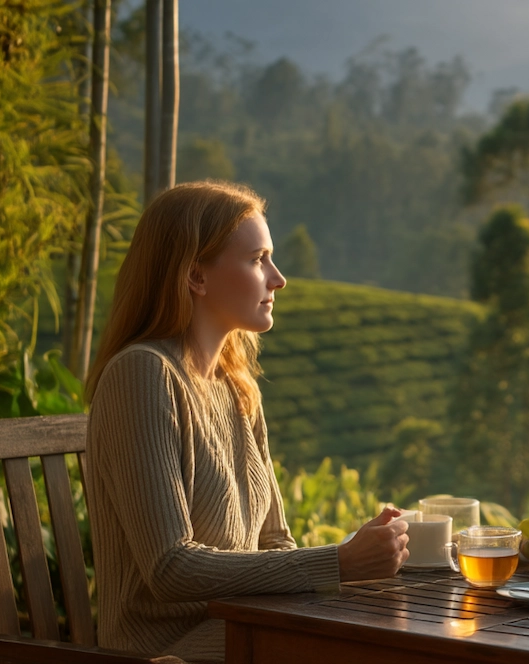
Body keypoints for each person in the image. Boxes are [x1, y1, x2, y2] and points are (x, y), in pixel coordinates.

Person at [83, 181, 409, 662]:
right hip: (168, 651)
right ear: (196, 275)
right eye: (258, 259)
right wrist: (339, 562)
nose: (277, 278)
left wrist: (357, 560)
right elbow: (170, 569)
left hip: (245, 630)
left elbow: (275, 542)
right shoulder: (143, 374)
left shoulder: (237, 387)